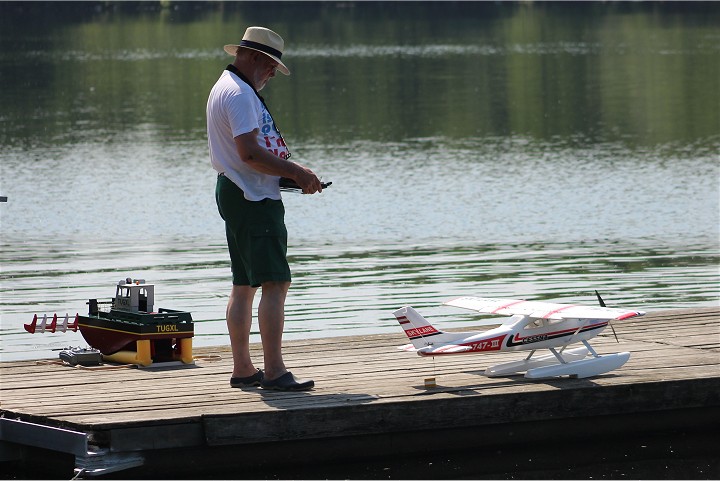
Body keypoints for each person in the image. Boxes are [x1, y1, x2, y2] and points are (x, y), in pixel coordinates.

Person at [207, 26, 323, 391]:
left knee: (244, 284)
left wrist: (283, 176)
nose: (273, 73)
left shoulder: (226, 85)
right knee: (276, 282)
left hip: (236, 189)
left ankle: (243, 369)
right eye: (271, 65)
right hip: (252, 198)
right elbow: (250, 154)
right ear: (254, 57)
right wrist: (296, 171)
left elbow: (246, 156)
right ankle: (274, 371)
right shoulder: (240, 94)